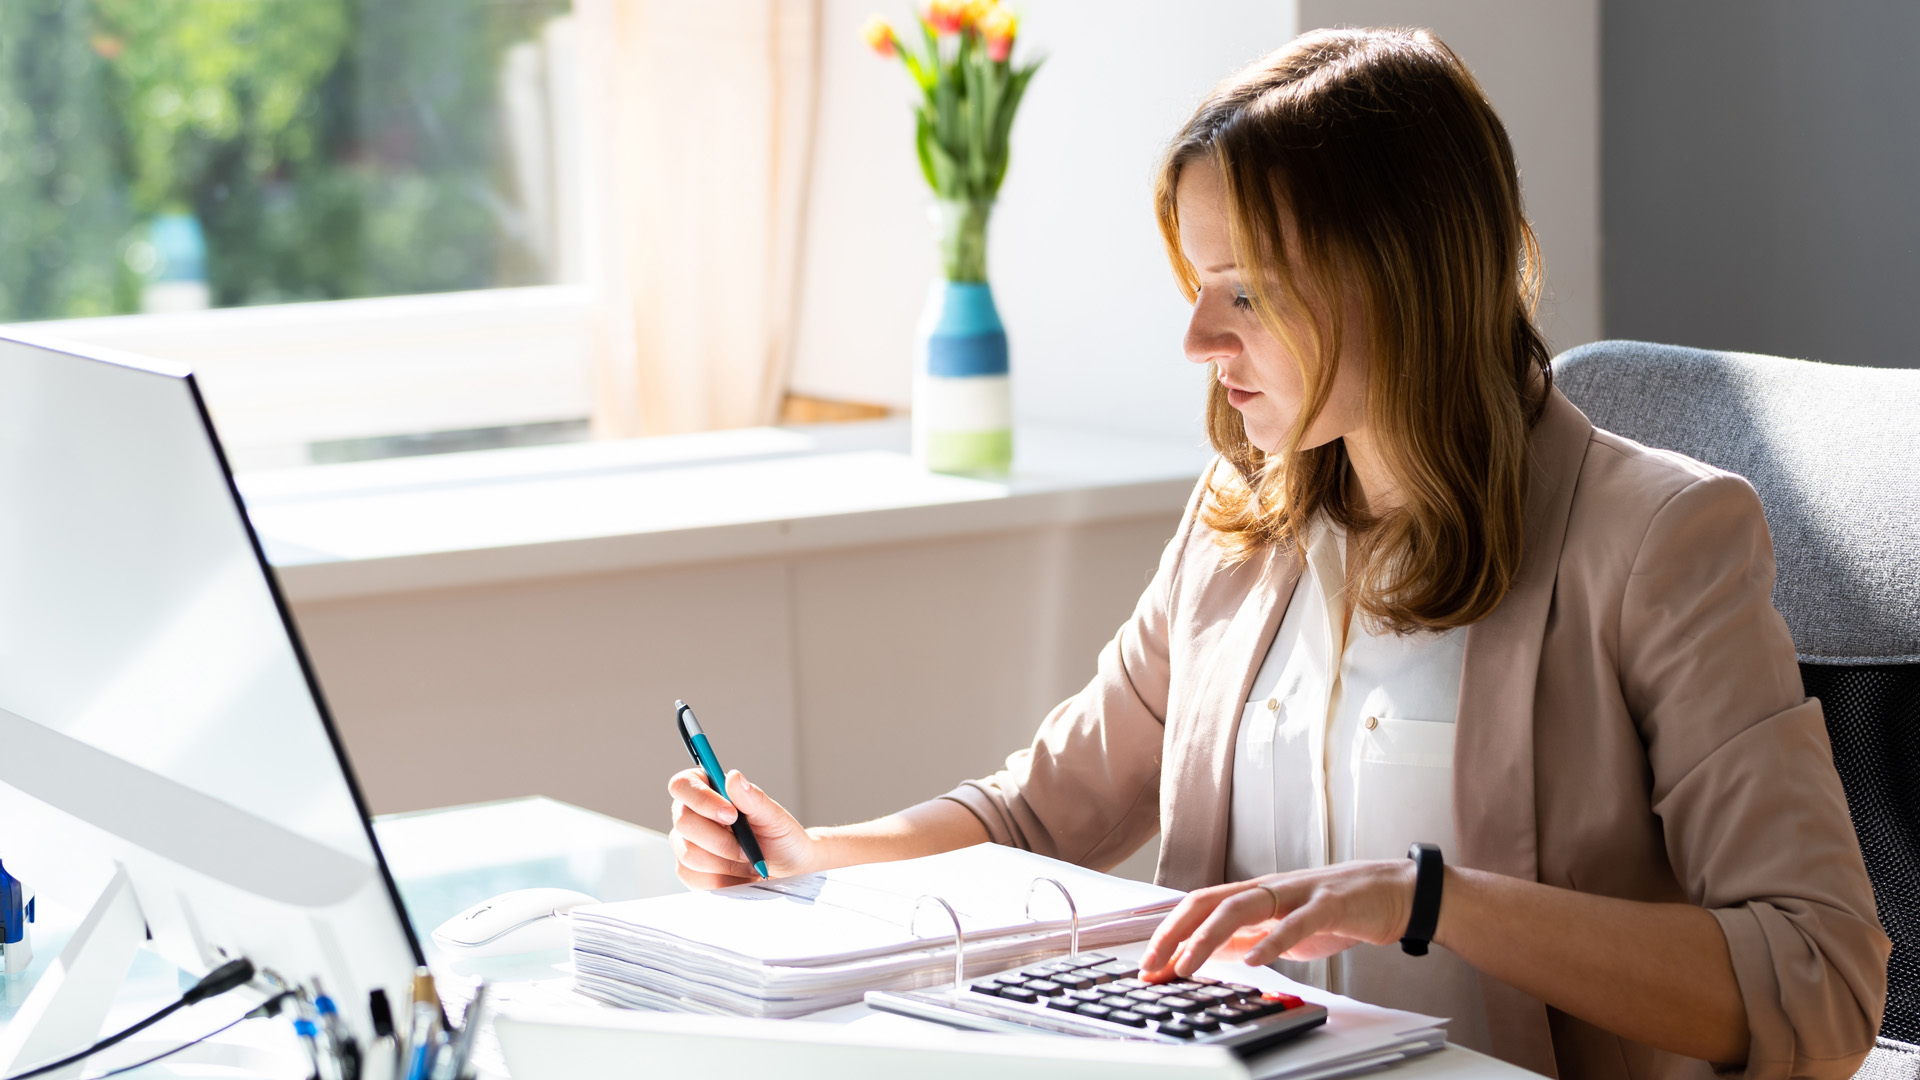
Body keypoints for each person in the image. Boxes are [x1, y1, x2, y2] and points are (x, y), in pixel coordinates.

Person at [667, 27, 1888, 1079]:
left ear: (1401, 282)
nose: (1198, 337)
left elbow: (1820, 978)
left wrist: (1433, 904)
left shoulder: (1659, 541)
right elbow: (1041, 814)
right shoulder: (1242, 520)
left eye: (1244, 292)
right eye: (1198, 285)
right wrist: (820, 856)